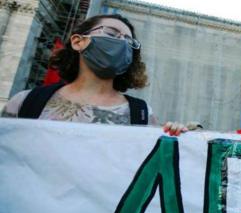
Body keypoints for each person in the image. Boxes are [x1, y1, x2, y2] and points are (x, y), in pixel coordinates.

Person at [1, 14, 186, 135]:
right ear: (78, 41)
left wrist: (181, 137)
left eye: (129, 41)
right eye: (112, 33)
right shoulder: (26, 102)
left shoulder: (142, 114)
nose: (122, 42)